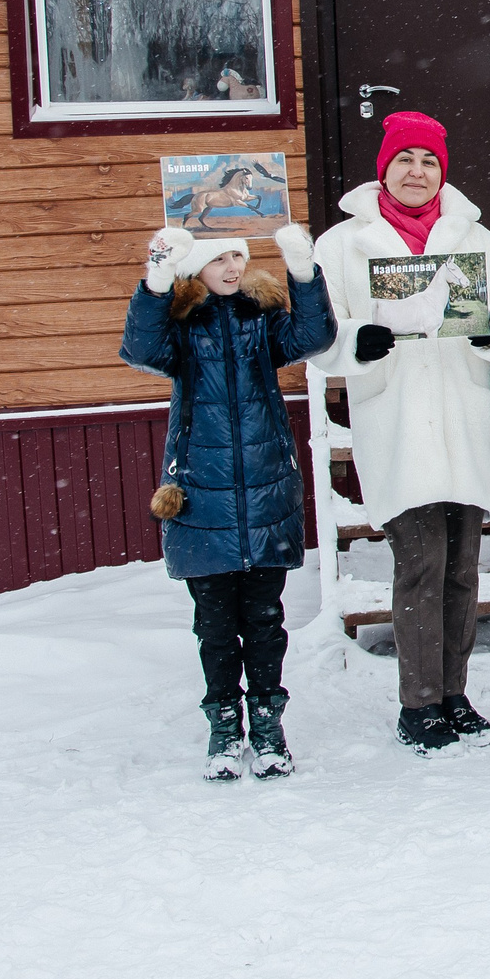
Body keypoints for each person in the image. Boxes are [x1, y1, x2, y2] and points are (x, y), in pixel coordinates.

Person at [315, 111, 490, 756]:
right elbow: (319, 331)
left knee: (463, 567)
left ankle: (454, 694)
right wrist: (359, 342)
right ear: (384, 167)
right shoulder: (345, 244)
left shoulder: (473, 236)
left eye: (429, 162)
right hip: (398, 418)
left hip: (463, 415)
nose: (417, 172)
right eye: (405, 160)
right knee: (420, 564)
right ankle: (419, 704)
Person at [120, 222, 335, 781]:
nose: (233, 268)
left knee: (265, 624)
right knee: (215, 628)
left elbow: (314, 336)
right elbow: (140, 349)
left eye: (238, 256)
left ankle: (267, 724)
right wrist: (157, 281)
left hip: (266, 495)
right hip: (201, 498)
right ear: (197, 269)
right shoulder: (180, 327)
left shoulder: (262, 319)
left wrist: (303, 272)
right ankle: (223, 727)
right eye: (219, 260)